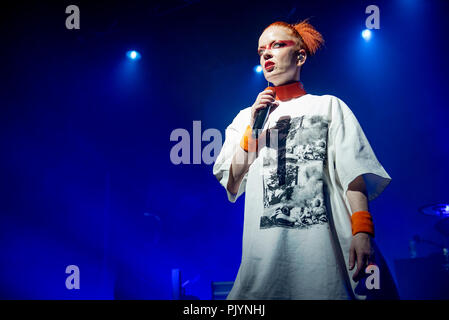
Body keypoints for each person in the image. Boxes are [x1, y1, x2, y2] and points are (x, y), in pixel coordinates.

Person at [213, 19, 399, 299]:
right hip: (265, 263)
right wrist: (252, 132)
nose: (266, 54)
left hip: (324, 259)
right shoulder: (245, 119)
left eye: (276, 45)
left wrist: (363, 231)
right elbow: (232, 179)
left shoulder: (329, 106)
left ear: (300, 56)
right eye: (261, 50)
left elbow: (354, 175)